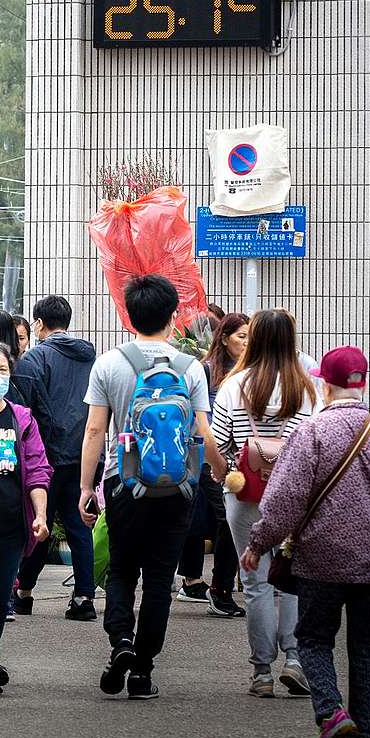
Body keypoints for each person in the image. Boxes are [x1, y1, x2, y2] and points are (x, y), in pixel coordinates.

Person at [240, 346, 370, 738]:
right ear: (363, 383)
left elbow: (284, 499)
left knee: (314, 639)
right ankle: (362, 734)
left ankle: (331, 713)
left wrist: (258, 543)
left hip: (321, 560)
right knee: (368, 651)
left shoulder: (311, 432)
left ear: (324, 384)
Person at [79, 275, 224, 701]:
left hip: (124, 484)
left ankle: (121, 640)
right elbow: (203, 431)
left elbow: (93, 431)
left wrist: (86, 488)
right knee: (160, 578)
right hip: (177, 488)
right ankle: (142, 670)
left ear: (129, 313)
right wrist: (217, 471)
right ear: (172, 314)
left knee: (123, 568)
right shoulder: (190, 367)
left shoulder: (109, 364)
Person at [209, 307, 316, 699]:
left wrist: (226, 477)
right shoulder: (306, 388)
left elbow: (218, 443)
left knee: (254, 582)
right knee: (290, 581)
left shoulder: (235, 386)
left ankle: (261, 674)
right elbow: (315, 447)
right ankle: (295, 660)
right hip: (294, 497)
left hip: (244, 493)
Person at [0, 336, 51, 695]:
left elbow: (37, 470)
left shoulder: (21, 418)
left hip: (13, 527)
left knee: (3, 598)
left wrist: (41, 515)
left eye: (2, 370)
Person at [11, 295, 97, 621]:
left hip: (46, 457)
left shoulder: (36, 359)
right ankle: (84, 598)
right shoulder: (91, 358)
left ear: (39, 324)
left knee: (39, 523)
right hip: (82, 455)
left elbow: (28, 411)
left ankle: (25, 592)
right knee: (78, 528)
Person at [176, 312, 249, 617]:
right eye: (241, 336)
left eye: (250, 337)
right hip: (205, 455)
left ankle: (217, 588)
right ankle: (218, 590)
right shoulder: (206, 370)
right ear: (224, 337)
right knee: (224, 518)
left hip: (238, 460)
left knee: (224, 519)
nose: (246, 343)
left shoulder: (249, 372)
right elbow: (195, 416)